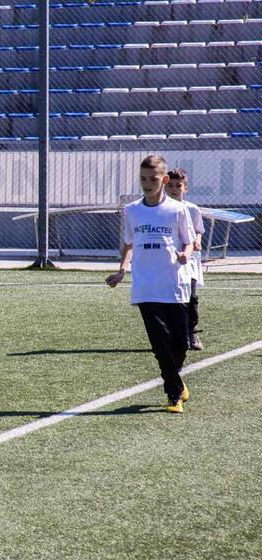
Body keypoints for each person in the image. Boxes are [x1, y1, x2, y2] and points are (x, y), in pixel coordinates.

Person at [106, 155, 193, 414]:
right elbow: (129, 243)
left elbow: (188, 240)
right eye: (143, 179)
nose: (147, 184)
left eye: (153, 179)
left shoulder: (178, 210)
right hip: (146, 285)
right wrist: (122, 270)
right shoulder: (132, 210)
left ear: (164, 180)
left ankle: (176, 381)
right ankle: (174, 394)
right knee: (159, 342)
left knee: (180, 344)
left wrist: (186, 254)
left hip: (175, 284)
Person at [164, 168, 205, 351]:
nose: (174, 189)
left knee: (191, 297)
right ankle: (173, 334)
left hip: (190, 261)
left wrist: (197, 241)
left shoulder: (192, 209)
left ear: (185, 188)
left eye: (178, 186)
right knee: (170, 298)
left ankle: (192, 332)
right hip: (169, 262)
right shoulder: (161, 209)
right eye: (170, 186)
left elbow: (198, 230)